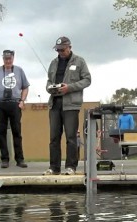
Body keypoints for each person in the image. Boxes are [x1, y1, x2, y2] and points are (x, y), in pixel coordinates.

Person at [43, 36, 91, 175]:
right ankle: (54, 167)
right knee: (54, 138)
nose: (60, 52)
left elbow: (87, 80)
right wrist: (50, 88)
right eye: (58, 50)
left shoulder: (79, 61)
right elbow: (48, 81)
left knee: (71, 137)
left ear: (69, 47)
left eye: (62, 50)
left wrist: (69, 87)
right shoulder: (53, 63)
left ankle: (71, 167)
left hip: (71, 105)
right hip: (55, 104)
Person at [0, 50, 30, 168]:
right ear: (3, 59)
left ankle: (20, 159)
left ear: (13, 58)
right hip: (0, 105)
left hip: (15, 104)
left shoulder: (19, 71)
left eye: (10, 58)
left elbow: (25, 87)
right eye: (6, 59)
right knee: (1, 132)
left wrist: (22, 101)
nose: (8, 61)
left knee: (17, 132)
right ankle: (4, 159)